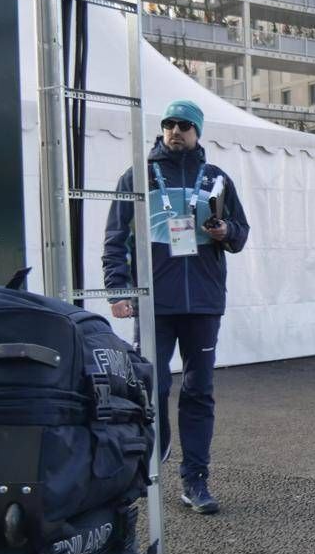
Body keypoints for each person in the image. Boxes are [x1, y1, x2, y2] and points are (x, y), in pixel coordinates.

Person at [103, 100, 250, 515]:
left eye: (184, 125)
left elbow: (241, 235)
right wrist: (118, 290)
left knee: (198, 391)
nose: (175, 131)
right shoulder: (139, 176)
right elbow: (116, 239)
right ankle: (145, 469)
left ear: (197, 131)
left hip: (203, 302)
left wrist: (225, 230)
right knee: (150, 388)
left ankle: (195, 480)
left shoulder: (217, 179)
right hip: (154, 302)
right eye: (168, 124)